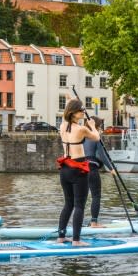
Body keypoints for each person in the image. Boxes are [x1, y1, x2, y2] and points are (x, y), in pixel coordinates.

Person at [56, 98, 99, 246]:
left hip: (65, 169)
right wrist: (92, 125)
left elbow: (66, 114)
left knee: (68, 204)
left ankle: (61, 237)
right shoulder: (81, 129)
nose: (83, 113)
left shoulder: (62, 126)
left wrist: (70, 100)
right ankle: (76, 240)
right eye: (81, 110)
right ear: (74, 113)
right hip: (78, 169)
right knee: (79, 205)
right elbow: (96, 137)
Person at [85, 116, 116, 227]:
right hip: (91, 168)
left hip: (80, 168)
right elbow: (102, 155)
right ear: (97, 126)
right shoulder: (95, 136)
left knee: (81, 197)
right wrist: (111, 169)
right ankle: (94, 222)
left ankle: (77, 223)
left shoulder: (81, 135)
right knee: (96, 196)